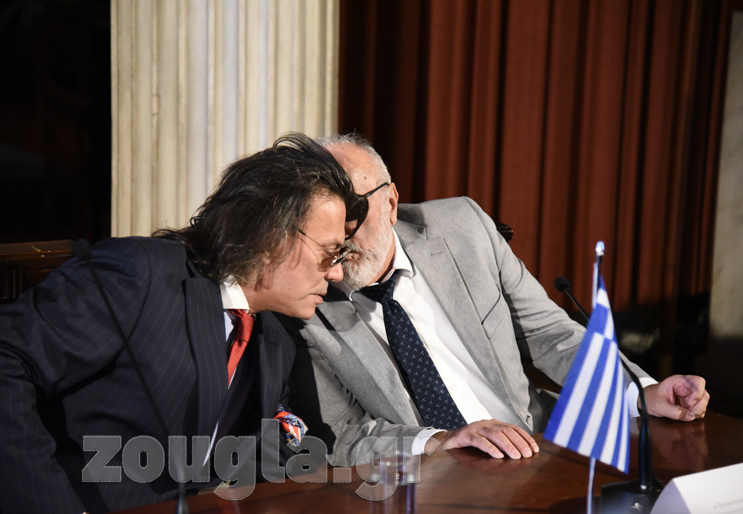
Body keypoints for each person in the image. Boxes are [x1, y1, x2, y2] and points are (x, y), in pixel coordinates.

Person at [0, 133, 364, 513]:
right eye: (330, 252)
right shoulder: (141, 273)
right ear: (270, 237)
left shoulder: (273, 339)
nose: (335, 274)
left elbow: (268, 450)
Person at [279, 133, 710, 467]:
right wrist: (441, 441)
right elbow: (341, 435)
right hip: (429, 482)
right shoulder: (302, 301)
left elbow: (549, 334)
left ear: (391, 202)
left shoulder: (462, 228)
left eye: (354, 210)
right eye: (323, 217)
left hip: (540, 447)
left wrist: (641, 392)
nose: (342, 232)